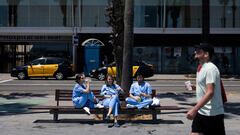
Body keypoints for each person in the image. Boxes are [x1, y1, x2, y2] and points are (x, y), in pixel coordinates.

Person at [186, 43, 225, 135]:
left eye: (199, 51)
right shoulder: (201, 68)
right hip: (202, 111)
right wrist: (196, 87)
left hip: (212, 113)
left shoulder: (210, 68)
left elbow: (210, 92)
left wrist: (194, 109)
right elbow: (207, 88)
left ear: (206, 54)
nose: (195, 52)